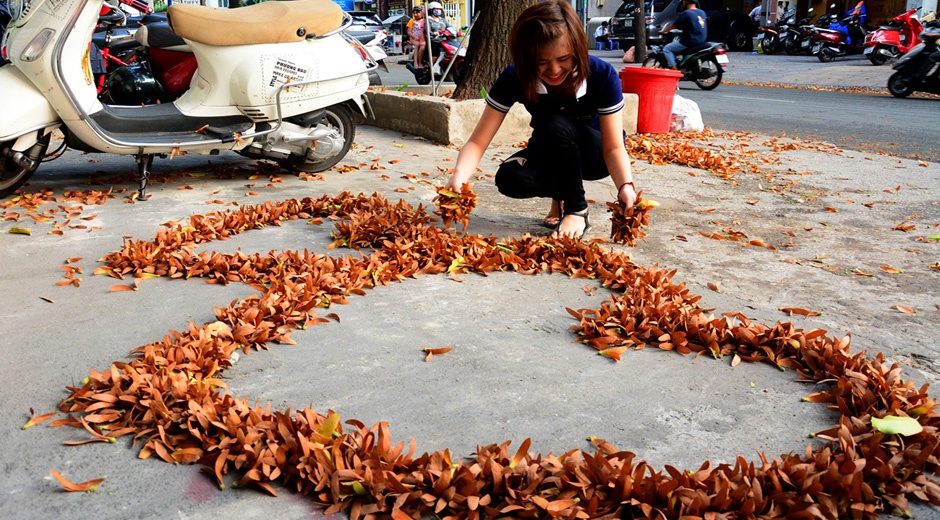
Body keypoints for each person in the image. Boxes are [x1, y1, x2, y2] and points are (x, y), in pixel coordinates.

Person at [444, 0, 636, 239]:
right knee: (511, 178)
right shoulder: (515, 76)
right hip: (552, 145)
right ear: (525, 58)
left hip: (596, 154)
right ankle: (561, 197)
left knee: (553, 123)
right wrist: (460, 176)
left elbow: (614, 146)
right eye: (542, 62)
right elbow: (477, 142)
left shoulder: (601, 75)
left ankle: (577, 209)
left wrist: (625, 186)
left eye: (563, 59)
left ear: (577, 50)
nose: (554, 70)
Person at [660, 0, 707, 70]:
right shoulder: (702, 12)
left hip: (690, 40)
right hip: (702, 39)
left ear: (686, 2)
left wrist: (663, 31)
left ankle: (674, 68)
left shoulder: (686, 13)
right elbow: (695, 25)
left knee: (667, 49)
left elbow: (674, 25)